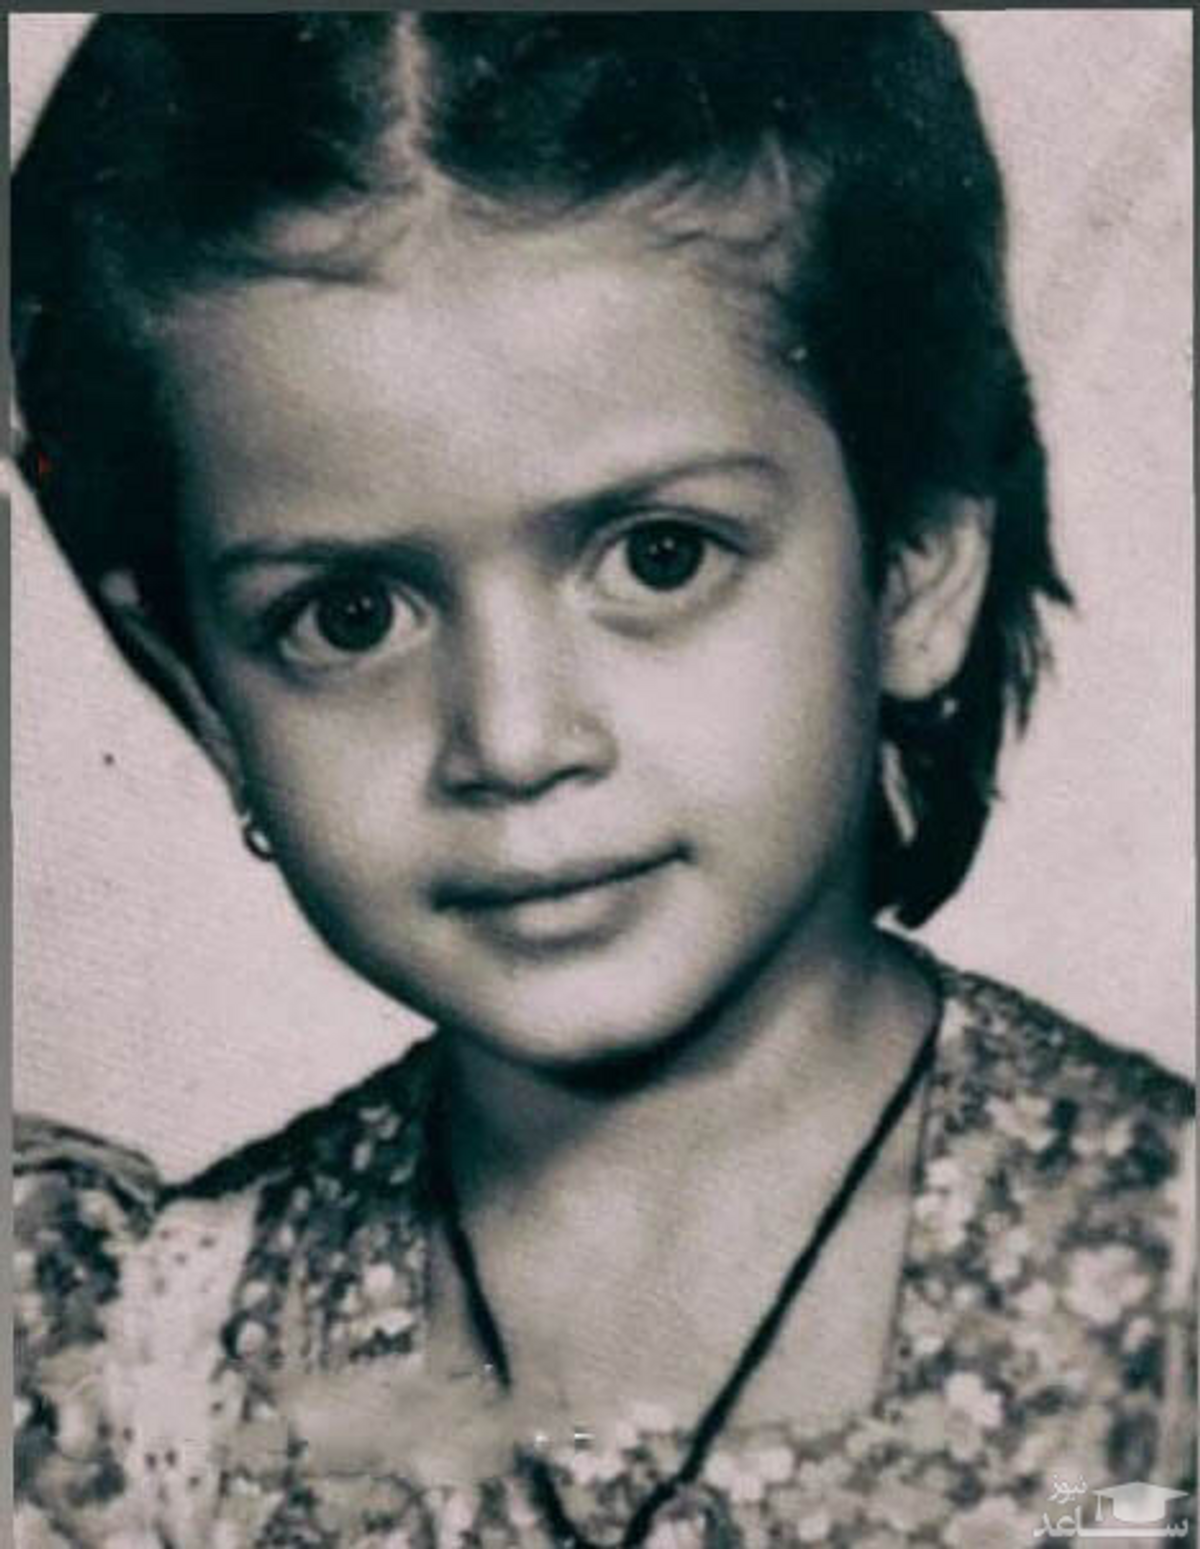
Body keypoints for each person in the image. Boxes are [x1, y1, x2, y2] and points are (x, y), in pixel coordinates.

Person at [12, 15, 1193, 1548]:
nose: (513, 742)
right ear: (202, 693)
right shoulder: (148, 1377)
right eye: (351, 616)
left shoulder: (1160, 1304)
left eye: (659, 557)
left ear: (915, 567)